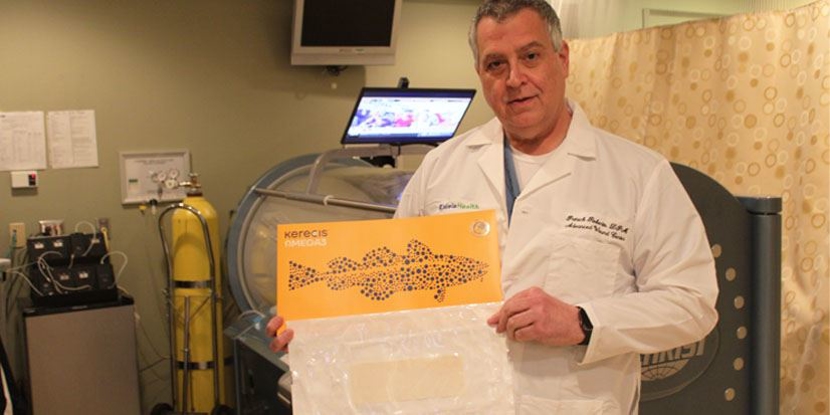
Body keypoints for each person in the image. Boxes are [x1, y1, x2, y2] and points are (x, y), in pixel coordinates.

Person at [268, 0, 719, 413]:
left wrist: (583, 321)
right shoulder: (442, 167)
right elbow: (393, 289)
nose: (514, 79)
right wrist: (316, 327)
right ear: (481, 73)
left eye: (531, 56)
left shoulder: (638, 174)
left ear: (562, 59)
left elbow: (692, 304)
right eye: (495, 64)